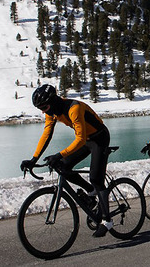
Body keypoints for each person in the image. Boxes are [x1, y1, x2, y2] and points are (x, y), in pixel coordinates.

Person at [20, 84, 112, 238]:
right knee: (62, 166)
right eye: (40, 108)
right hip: (86, 140)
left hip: (100, 138)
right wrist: (33, 159)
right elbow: (46, 134)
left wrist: (59, 154)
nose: (43, 111)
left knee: (96, 178)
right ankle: (91, 192)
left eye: (44, 107)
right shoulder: (52, 111)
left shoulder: (73, 108)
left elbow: (80, 139)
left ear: (53, 100)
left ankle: (107, 221)